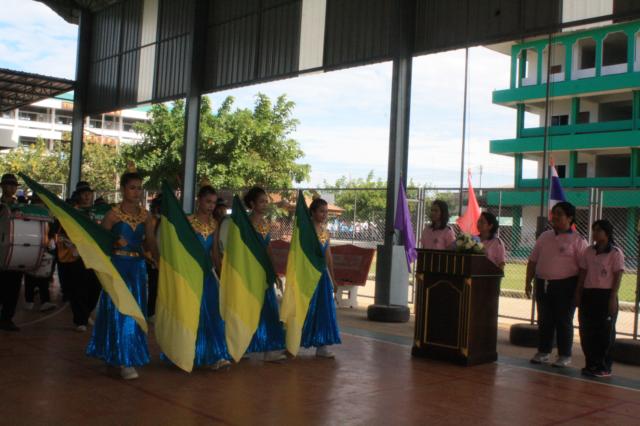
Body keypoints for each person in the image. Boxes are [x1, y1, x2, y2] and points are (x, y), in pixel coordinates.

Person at [86, 169, 158, 380]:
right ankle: (123, 359)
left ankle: (125, 354)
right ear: (123, 189)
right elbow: (100, 241)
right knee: (119, 311)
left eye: (139, 188)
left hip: (137, 268)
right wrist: (114, 242)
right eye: (132, 188)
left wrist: (159, 259)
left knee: (134, 311)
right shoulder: (113, 214)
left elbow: (151, 241)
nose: (137, 192)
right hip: (117, 266)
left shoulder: (146, 216)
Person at [525, 202, 588, 367]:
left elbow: (584, 268)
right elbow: (533, 260)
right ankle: (543, 352)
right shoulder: (544, 236)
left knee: (563, 321)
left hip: (566, 286)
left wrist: (578, 291)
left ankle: (564, 355)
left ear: (570, 218)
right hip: (542, 283)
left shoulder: (578, 240)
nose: (555, 217)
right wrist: (528, 281)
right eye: (554, 213)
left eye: (560, 213)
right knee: (544, 319)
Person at [186, 185, 230, 369]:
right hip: (190, 275)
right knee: (192, 314)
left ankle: (215, 354)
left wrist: (221, 274)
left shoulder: (215, 224)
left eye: (214, 202)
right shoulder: (187, 222)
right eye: (208, 202)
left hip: (208, 276)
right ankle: (189, 353)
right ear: (199, 200)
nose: (211, 206)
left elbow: (215, 253)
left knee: (213, 313)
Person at [575, 220, 624, 378]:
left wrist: (612, 298)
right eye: (593, 230)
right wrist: (578, 293)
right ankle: (591, 363)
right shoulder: (588, 251)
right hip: (589, 294)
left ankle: (604, 366)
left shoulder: (615, 253)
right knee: (586, 331)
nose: (594, 233)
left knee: (605, 333)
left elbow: (617, 277)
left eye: (598, 230)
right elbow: (583, 274)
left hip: (605, 295)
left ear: (607, 233)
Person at [243, 187, 286, 361]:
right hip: (248, 271)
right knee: (248, 308)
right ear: (252, 204)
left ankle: (269, 350)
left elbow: (268, 248)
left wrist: (274, 271)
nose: (265, 205)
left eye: (266, 201)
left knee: (269, 309)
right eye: (261, 201)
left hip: (264, 272)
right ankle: (243, 346)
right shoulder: (244, 224)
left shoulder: (266, 225)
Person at [299, 198, 342, 358]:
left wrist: (333, 278)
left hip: (322, 277)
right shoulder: (305, 231)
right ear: (312, 212)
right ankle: (293, 341)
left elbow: (328, 257)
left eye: (326, 212)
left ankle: (321, 345)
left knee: (323, 308)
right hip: (308, 275)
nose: (324, 215)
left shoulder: (325, 232)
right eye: (321, 211)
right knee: (305, 308)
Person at [66, 181, 102, 332]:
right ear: (78, 196)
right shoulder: (71, 212)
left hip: (96, 255)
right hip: (78, 255)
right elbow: (63, 230)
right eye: (84, 193)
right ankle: (80, 319)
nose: (87, 196)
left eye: (89, 193)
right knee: (79, 287)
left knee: (96, 287)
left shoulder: (100, 211)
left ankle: (86, 314)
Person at [23, 193, 57, 312]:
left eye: (40, 201)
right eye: (37, 201)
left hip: (43, 246)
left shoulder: (47, 213)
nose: (39, 203)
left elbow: (52, 228)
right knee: (30, 274)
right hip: (30, 246)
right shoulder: (27, 211)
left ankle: (44, 301)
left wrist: (51, 239)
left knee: (43, 275)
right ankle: (30, 300)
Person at [0, 173, 23, 331]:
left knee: (14, 287)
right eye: (8, 185)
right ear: (2, 186)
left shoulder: (21, 206)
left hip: (16, 251)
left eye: (13, 185)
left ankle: (7, 318)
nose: (11, 188)